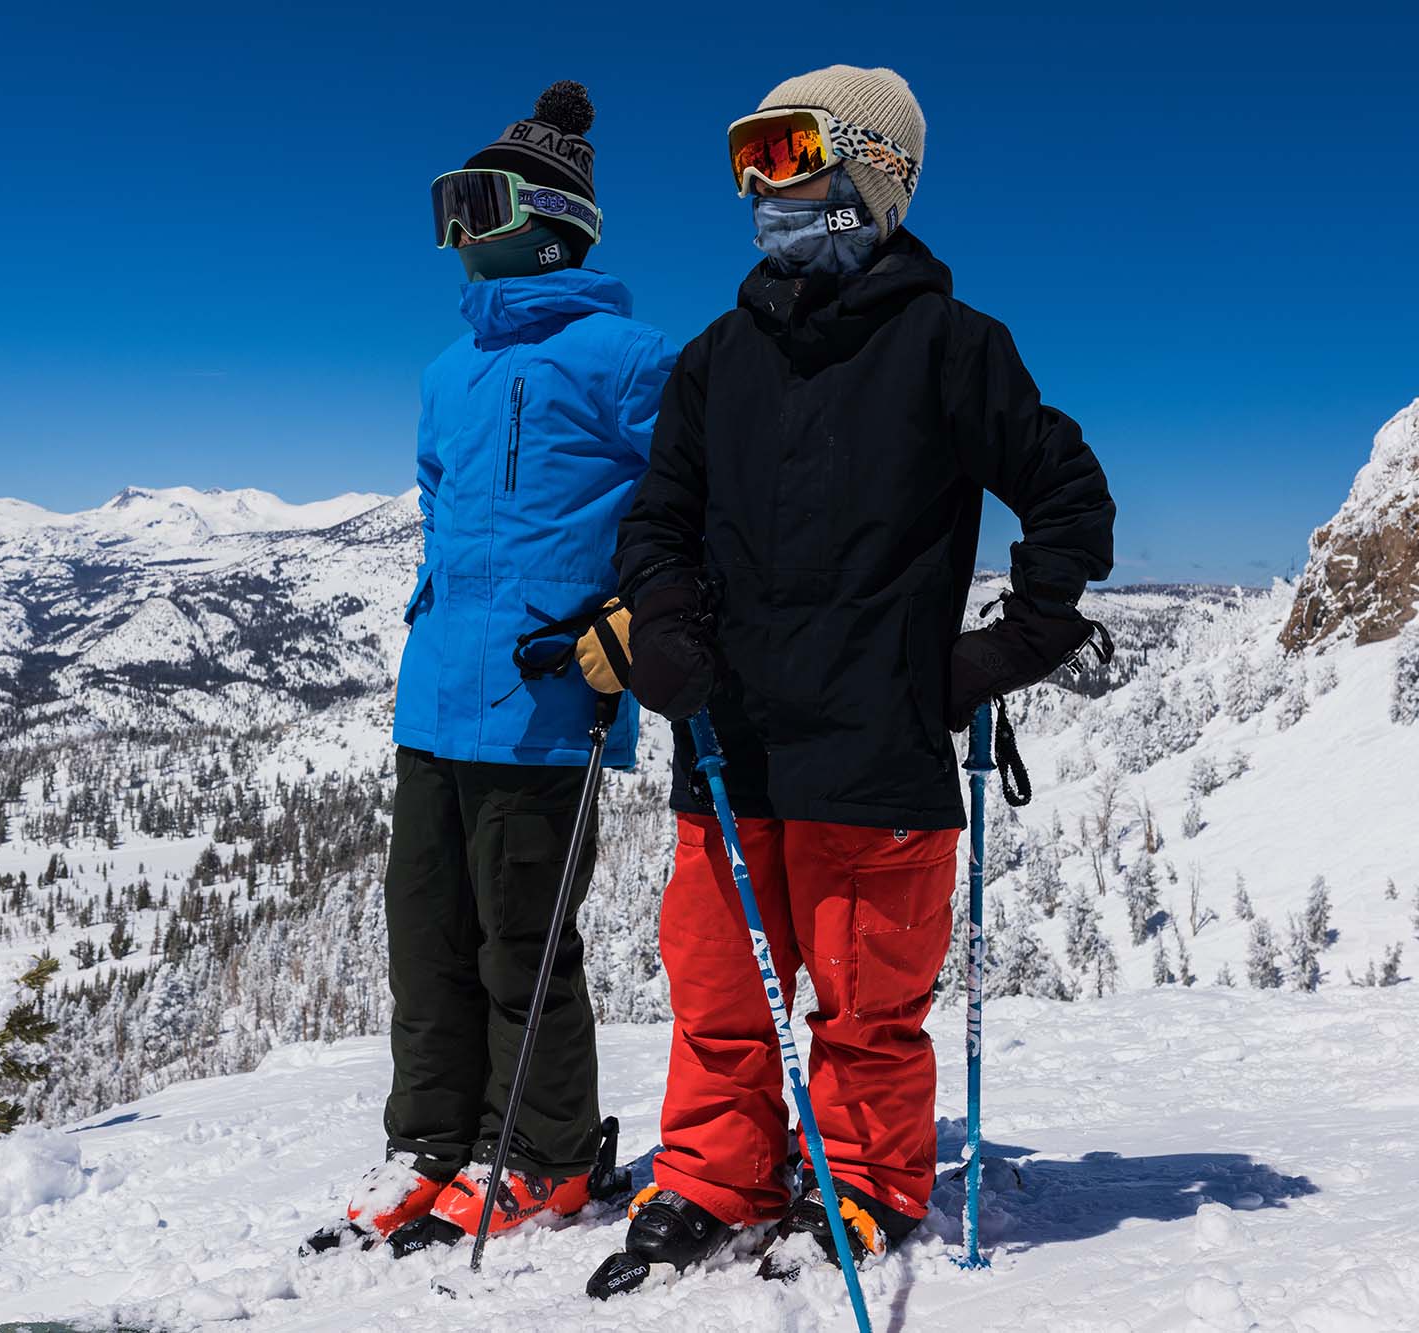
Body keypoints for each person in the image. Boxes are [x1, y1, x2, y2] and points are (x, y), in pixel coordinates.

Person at [584, 65, 1116, 1297]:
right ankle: (714, 1180)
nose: (760, 185)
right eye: (745, 159)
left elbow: (1066, 500)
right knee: (721, 991)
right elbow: (657, 517)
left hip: (875, 755)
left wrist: (995, 654)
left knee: (867, 1007)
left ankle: (862, 1181)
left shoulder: (951, 347)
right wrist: (661, 623)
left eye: (786, 151)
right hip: (729, 744)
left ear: (872, 170)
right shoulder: (717, 359)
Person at [302, 80, 677, 1258]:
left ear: (552, 218)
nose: (458, 231)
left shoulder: (628, 360)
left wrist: (626, 616)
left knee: (521, 941)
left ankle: (546, 1153)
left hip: (543, 705)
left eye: (478, 203)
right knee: (424, 939)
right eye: (447, 207)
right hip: (434, 701)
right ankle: (431, 1140)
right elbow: (438, 503)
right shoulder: (443, 373)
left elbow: (691, 512)